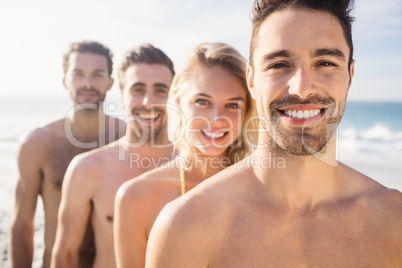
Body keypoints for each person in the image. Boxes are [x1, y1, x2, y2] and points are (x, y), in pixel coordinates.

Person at [145, 1, 402, 267]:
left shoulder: (394, 220)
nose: (301, 89)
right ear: (252, 80)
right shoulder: (186, 224)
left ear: (350, 75)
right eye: (279, 64)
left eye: (325, 62)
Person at [114, 42, 257, 268]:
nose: (217, 119)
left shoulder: (264, 190)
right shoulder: (136, 197)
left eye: (232, 105)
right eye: (202, 101)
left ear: (247, 110)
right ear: (179, 101)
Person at [50, 44, 175, 268]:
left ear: (175, 95)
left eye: (160, 90)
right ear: (122, 95)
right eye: (137, 89)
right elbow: (65, 254)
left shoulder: (197, 167)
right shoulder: (87, 169)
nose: (148, 102)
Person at [9, 41, 125, 268]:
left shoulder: (129, 140)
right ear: (65, 80)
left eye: (97, 74)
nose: (88, 83)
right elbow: (22, 225)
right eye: (78, 74)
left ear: (111, 83)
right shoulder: (38, 144)